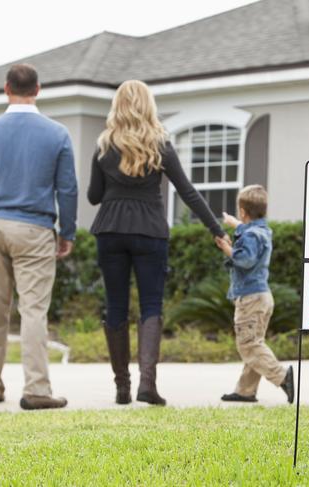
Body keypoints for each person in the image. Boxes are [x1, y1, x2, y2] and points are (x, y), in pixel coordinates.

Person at [88, 80, 227, 406]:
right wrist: (216, 230)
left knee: (115, 305)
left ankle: (122, 387)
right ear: (148, 105)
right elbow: (187, 191)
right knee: (151, 306)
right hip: (150, 231)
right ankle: (146, 385)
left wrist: (114, 186)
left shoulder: (104, 146)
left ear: (117, 106)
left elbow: (94, 197)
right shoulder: (160, 145)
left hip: (110, 229)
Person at [0, 64, 78, 410]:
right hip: (35, 228)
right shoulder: (57, 134)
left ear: (6, 88)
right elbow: (67, 189)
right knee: (33, 310)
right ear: (38, 90)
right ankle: (37, 389)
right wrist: (67, 232)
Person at [215, 185, 294, 403]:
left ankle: (282, 377)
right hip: (261, 296)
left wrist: (226, 248)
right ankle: (245, 391)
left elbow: (244, 260)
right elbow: (249, 233)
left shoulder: (250, 235)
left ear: (243, 211)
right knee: (254, 341)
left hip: (250, 297)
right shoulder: (262, 231)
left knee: (248, 345)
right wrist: (236, 224)